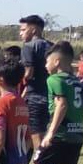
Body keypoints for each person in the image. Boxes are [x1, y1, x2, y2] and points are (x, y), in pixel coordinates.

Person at [18, 15, 52, 154]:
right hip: (50, 97)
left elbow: (29, 73)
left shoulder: (28, 47)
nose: (20, 33)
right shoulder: (51, 46)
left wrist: (15, 79)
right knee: (33, 138)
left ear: (34, 30)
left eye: (23, 29)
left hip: (35, 98)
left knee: (37, 141)